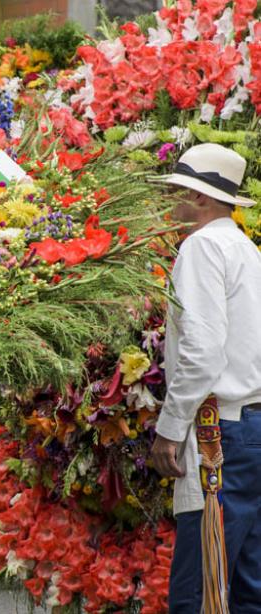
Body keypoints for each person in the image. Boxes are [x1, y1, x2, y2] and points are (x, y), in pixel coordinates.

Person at [149, 143, 261, 613]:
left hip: (221, 435)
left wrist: (169, 429)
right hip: (250, 426)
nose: (168, 203)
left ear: (198, 199)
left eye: (175, 192)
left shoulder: (201, 247)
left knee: (201, 589)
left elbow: (201, 351)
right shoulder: (245, 248)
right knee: (248, 584)